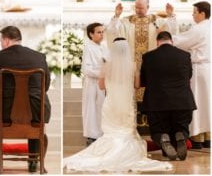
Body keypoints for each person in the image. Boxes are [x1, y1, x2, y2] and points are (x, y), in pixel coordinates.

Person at [64, 38, 172, 173]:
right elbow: (137, 86)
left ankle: (107, 153)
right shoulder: (133, 65)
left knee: (111, 133)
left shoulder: (106, 66)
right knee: (125, 131)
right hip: (126, 104)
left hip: (111, 104)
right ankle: (125, 153)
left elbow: (101, 86)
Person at [0, 26, 51, 173]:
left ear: (6, 40)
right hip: (36, 111)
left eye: (1, 41)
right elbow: (46, 85)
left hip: (3, 113)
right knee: (34, 111)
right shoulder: (39, 57)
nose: (1, 44)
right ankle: (33, 161)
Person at [106, 0, 177, 101]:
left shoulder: (157, 21)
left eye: (141, 8)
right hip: (131, 65)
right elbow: (112, 32)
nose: (138, 10)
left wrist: (171, 16)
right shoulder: (127, 21)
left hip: (152, 65)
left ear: (148, 7)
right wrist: (116, 16)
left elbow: (171, 31)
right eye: (136, 8)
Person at [140, 31, 196, 161]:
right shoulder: (185, 55)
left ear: (157, 42)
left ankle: (162, 137)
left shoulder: (148, 57)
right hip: (182, 101)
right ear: (172, 41)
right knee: (181, 126)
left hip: (157, 102)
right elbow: (189, 76)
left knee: (158, 128)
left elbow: (144, 79)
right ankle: (180, 135)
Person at [173, 1, 210, 149]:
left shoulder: (199, 29)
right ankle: (208, 136)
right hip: (209, 68)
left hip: (199, 69)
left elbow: (180, 41)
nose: (193, 15)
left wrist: (164, 34)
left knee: (197, 101)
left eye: (194, 12)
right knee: (208, 102)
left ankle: (197, 137)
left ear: (202, 14)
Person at [81, 23, 108, 146]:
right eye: (98, 32)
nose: (101, 34)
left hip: (103, 83)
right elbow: (86, 69)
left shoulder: (103, 47)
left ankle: (101, 134)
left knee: (101, 108)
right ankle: (92, 136)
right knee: (91, 109)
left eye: (103, 32)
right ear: (91, 34)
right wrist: (103, 73)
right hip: (93, 83)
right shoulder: (88, 47)